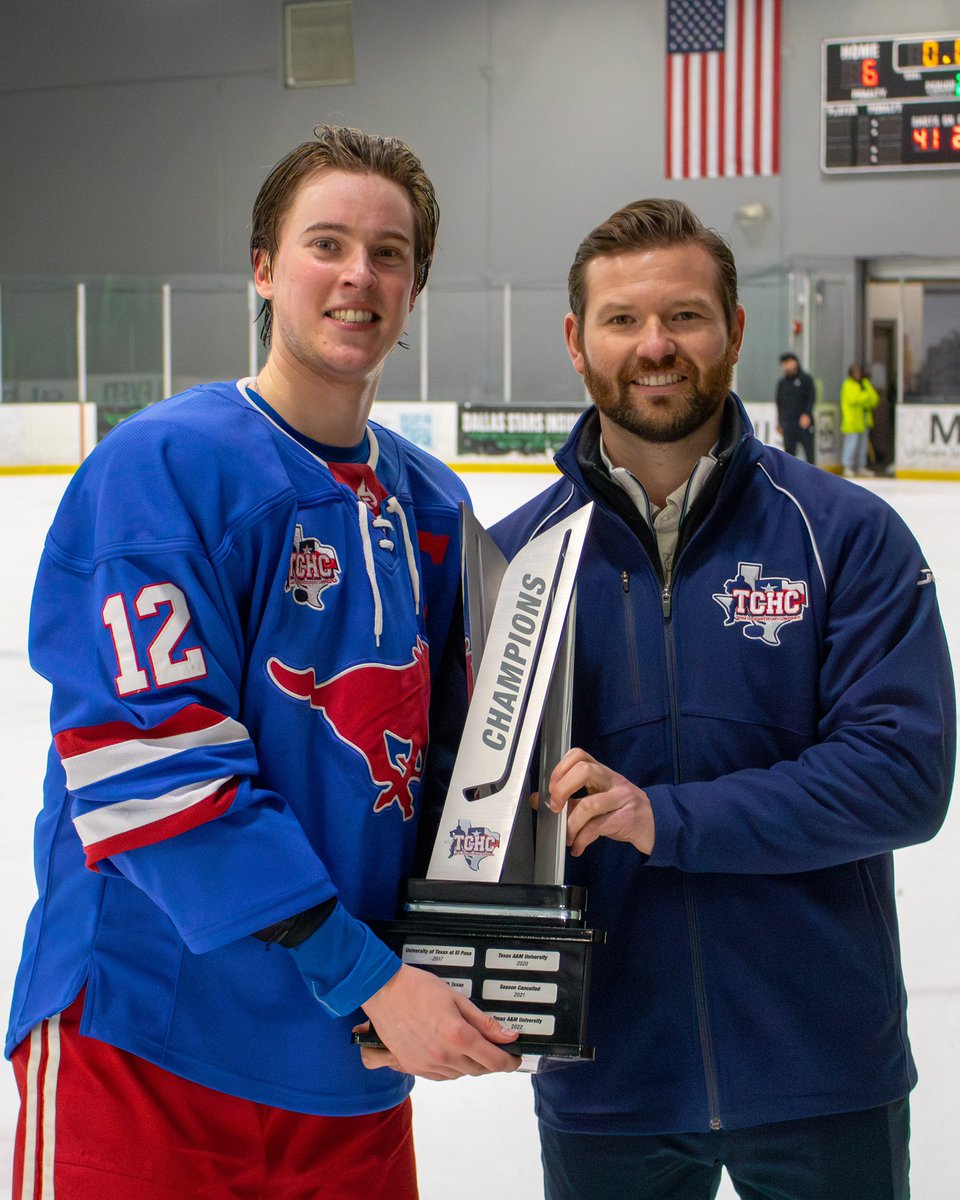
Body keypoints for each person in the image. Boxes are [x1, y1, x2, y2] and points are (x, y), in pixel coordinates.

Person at [6, 124, 519, 1200]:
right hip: (150, 1046)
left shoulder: (435, 508)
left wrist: (492, 955)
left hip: (347, 1068)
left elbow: (468, 774)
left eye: (389, 253)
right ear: (262, 268)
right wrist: (369, 978)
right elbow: (149, 771)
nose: (357, 275)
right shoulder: (167, 467)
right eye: (325, 243)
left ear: (415, 286)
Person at [489, 198, 955, 1200]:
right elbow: (470, 803)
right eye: (622, 320)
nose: (655, 346)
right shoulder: (511, 565)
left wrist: (667, 818)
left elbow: (904, 778)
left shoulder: (847, 537)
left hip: (823, 1073)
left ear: (736, 332)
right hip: (610, 1074)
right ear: (576, 341)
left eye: (686, 316)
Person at [840, 361, 880, 477]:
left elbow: (874, 399)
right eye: (855, 372)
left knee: (863, 445)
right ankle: (847, 466)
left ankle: (861, 466)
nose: (857, 374)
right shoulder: (848, 384)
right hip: (852, 421)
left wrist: (865, 397)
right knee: (851, 444)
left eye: (859, 372)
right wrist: (865, 396)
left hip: (864, 420)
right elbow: (853, 399)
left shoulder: (865, 383)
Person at [775, 350, 816, 461]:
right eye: (784, 363)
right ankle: (790, 477)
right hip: (789, 423)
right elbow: (779, 403)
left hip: (804, 422)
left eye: (789, 362)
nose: (787, 366)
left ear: (795, 362)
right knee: (789, 454)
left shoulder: (806, 379)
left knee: (809, 453)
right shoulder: (782, 383)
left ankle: (812, 477)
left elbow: (811, 398)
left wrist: (807, 414)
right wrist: (779, 422)